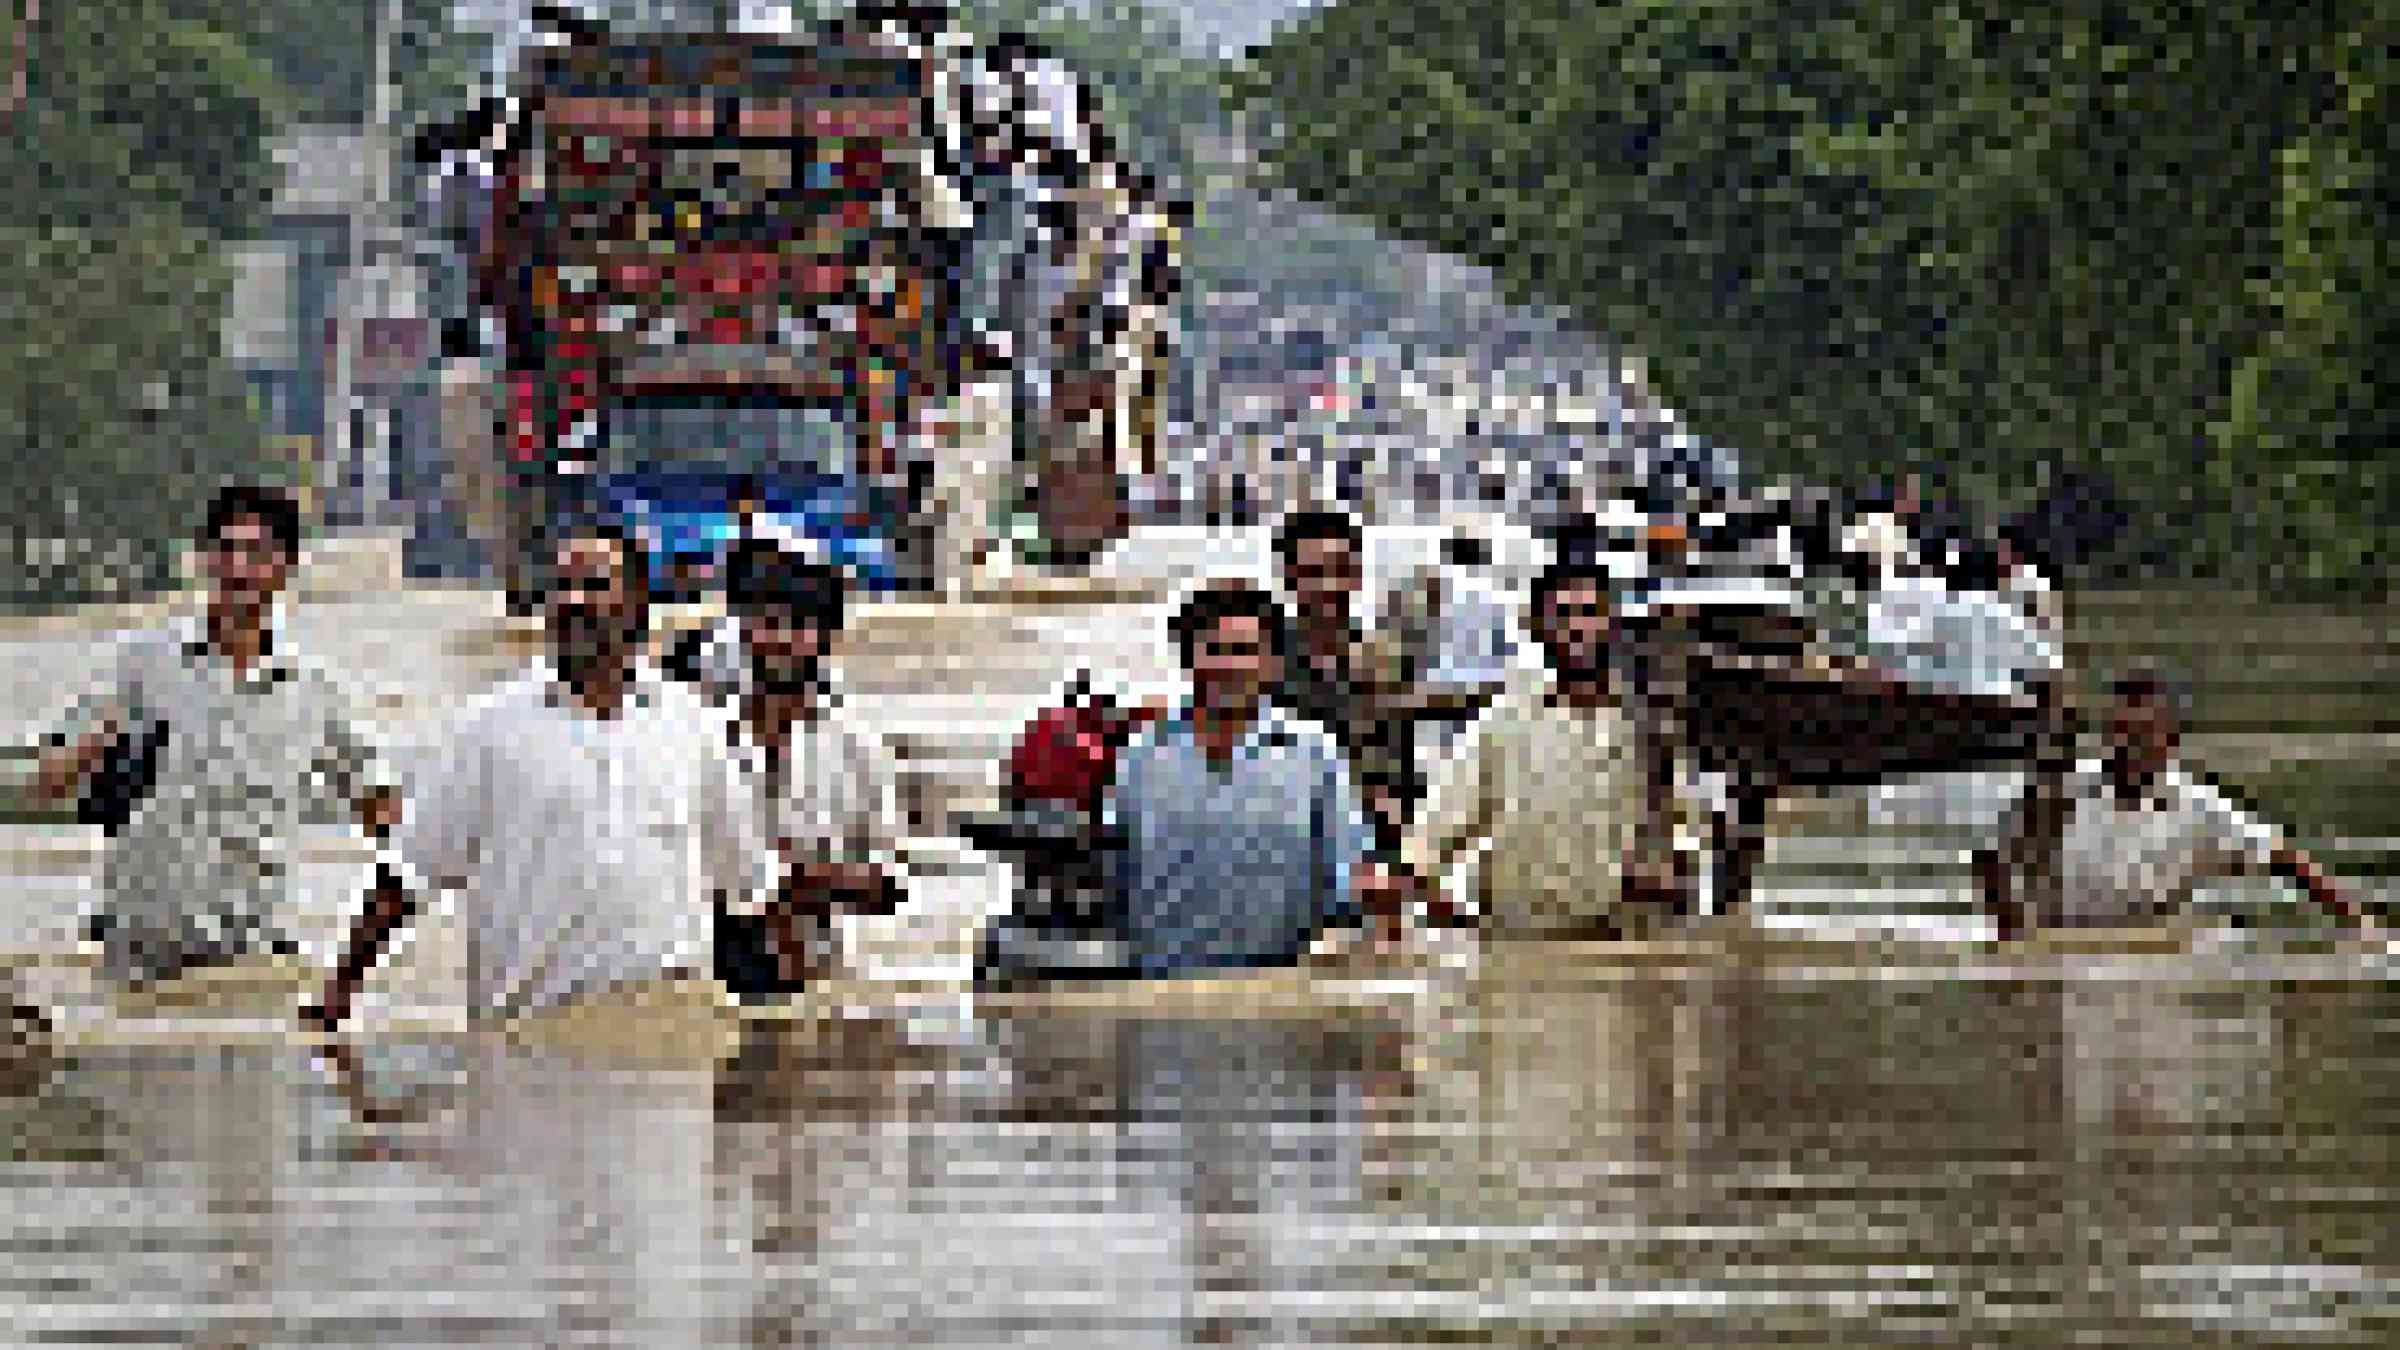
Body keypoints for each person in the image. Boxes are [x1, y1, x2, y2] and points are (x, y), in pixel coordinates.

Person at [312, 524, 770, 1027]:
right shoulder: (488, 730)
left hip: (670, 1051)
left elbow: (747, 887)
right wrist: (338, 995)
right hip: (525, 1046)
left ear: (639, 610)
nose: (575, 602)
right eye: (562, 587)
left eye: (595, 586)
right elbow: (407, 876)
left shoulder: (694, 728)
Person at [33, 485, 399, 986]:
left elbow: (378, 806)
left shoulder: (312, 691)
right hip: (142, 952)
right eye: (224, 549)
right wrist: (99, 746)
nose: (237, 568)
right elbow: (47, 782)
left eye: (255, 553)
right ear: (205, 560)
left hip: (255, 961)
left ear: (286, 568)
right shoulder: (145, 664)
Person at [1396, 560, 1698, 938]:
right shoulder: (1505, 722)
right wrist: (1437, 901)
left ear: (1611, 623)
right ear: (1540, 628)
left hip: (1620, 947)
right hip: (1517, 947)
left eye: (1590, 613)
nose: (1577, 629)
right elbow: (1433, 831)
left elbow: (1688, 846)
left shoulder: (1648, 732)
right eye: (1564, 615)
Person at [1104, 580, 1380, 976]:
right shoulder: (1141, 755)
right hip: (1162, 990)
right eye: (1214, 651)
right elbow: (1113, 874)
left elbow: (1349, 874)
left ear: (1272, 665)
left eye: (1245, 652)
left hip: (1280, 989)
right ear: (1188, 659)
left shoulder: (1314, 753)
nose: (1228, 667)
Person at [1980, 669, 2366, 936]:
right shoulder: (2062, 790)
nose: (2130, 746)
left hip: (2148, 940)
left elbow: (2287, 859)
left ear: (2170, 740)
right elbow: (1997, 858)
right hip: (2063, 936)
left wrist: (2365, 931)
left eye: (2144, 733)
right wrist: (2012, 942)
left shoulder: (2199, 806)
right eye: (2121, 732)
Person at [715, 545, 909, 997]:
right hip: (708, 977)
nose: (781, 639)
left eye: (799, 625)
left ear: (824, 638)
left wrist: (798, 884)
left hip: (816, 977)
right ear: (744, 631)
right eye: (768, 623)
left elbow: (887, 887)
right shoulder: (703, 736)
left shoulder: (858, 747)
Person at [1272, 509, 1417, 851]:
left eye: (1339, 570)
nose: (1328, 586)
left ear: (1356, 576)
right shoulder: (1264, 663)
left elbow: (1399, 764)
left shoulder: (1387, 662)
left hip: (1366, 847)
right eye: (1313, 572)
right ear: (1290, 577)